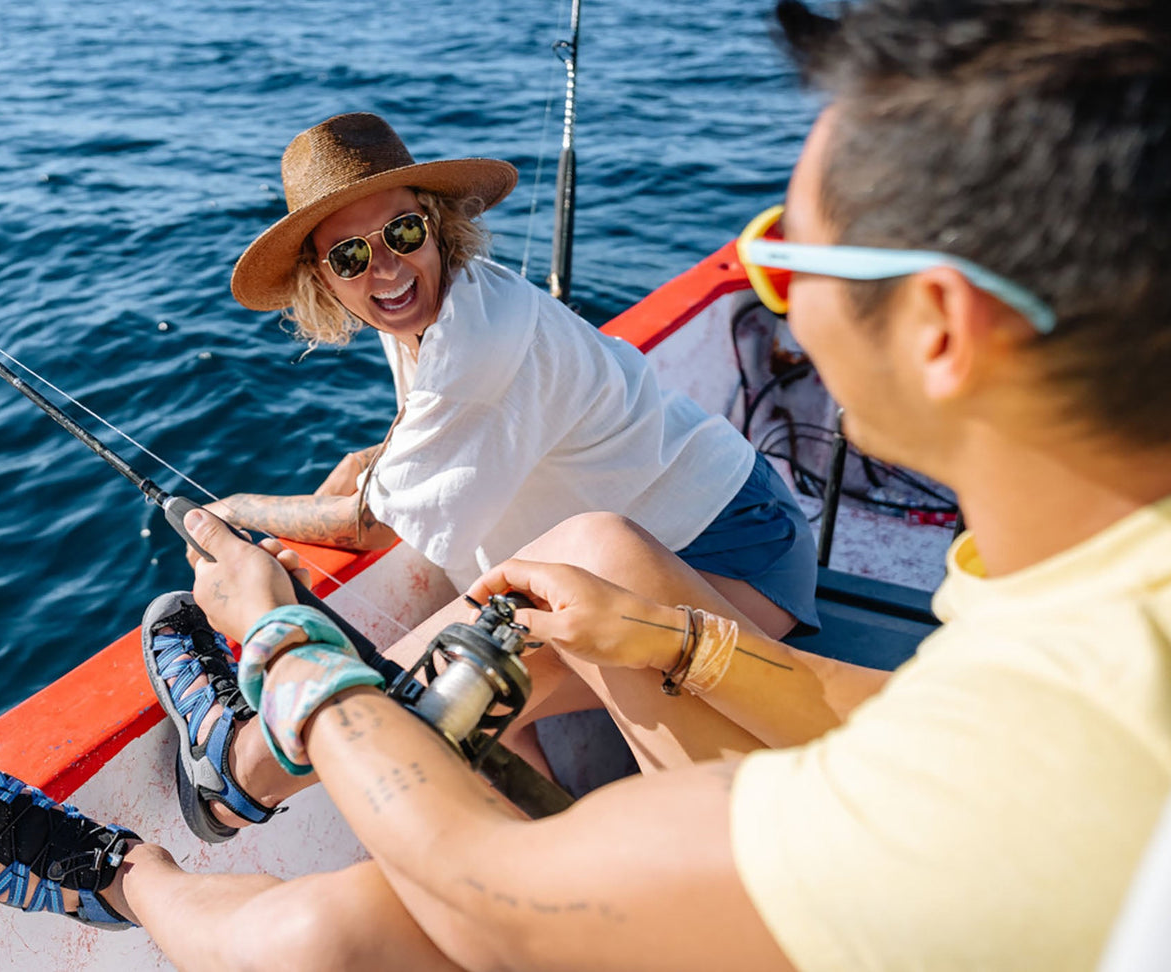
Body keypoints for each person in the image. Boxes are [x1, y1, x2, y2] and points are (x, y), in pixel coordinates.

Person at [0, 0, 1171, 969]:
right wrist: (678, 638)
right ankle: (260, 761)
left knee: (316, 941)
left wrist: (278, 624)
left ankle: (133, 864)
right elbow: (923, 707)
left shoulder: (970, 812)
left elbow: (495, 896)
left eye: (783, 259)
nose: (772, 309)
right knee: (595, 561)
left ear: (940, 327)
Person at [167, 112, 822, 840]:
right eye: (350, 256)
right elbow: (414, 433)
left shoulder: (473, 349)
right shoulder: (437, 302)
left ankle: (238, 774)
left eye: (403, 234)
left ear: (437, 224)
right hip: (689, 534)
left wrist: (232, 511)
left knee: (447, 695)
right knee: (485, 705)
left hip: (736, 558)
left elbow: (367, 525)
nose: (384, 268)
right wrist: (361, 468)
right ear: (323, 277)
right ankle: (552, 844)